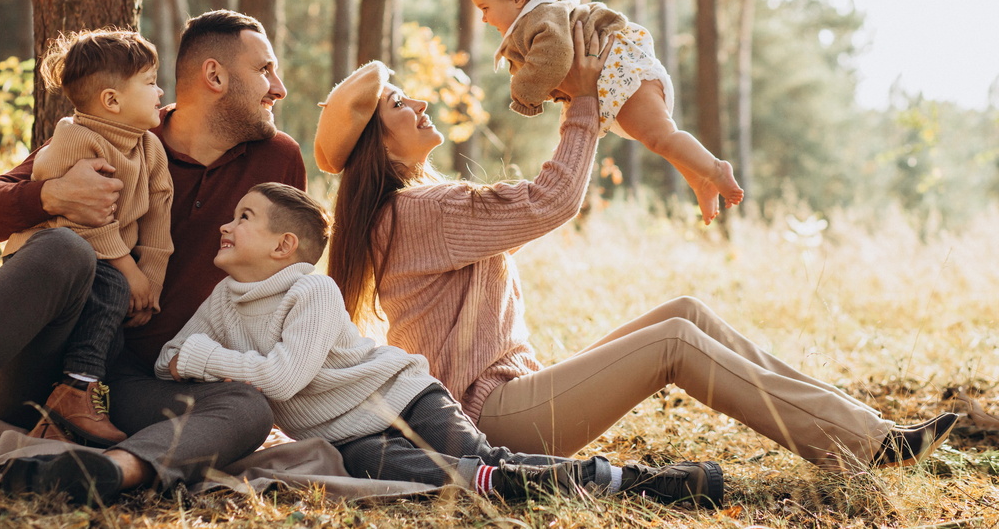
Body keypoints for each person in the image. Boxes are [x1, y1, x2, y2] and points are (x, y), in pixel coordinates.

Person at [312, 26, 958, 474]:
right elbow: (551, 200)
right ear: (377, 140)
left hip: (509, 394)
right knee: (674, 341)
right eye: (400, 103)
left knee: (686, 310)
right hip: (493, 420)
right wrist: (585, 103)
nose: (419, 101)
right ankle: (864, 444)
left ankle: (862, 429)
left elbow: (538, 198)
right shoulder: (419, 211)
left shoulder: (411, 208)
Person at [0, 10, 307, 505]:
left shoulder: (278, 160)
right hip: (37, 365)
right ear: (216, 76)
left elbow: (287, 281)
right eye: (264, 69)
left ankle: (105, 471)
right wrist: (49, 195)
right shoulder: (115, 131)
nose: (279, 88)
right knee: (64, 247)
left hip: (141, 386)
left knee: (248, 407)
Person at [151, 182, 724, 507]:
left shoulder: (312, 290)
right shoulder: (224, 299)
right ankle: (591, 482)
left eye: (243, 217)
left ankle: (642, 481)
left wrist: (201, 359)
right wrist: (190, 356)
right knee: (459, 479)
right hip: (348, 439)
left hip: (404, 395)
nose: (226, 226)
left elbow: (277, 377)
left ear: (283, 246)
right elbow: (164, 356)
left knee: (483, 461)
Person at [453, 0, 742, 224]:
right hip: (614, 83)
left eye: (485, 8)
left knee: (661, 137)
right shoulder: (538, 16)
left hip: (624, 77)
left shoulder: (543, 18)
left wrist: (524, 92)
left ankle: (715, 169)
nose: (484, 19)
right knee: (659, 138)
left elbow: (554, 56)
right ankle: (700, 180)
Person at [2, 29, 173, 448]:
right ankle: (75, 395)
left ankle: (62, 416)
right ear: (112, 100)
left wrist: (150, 281)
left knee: (110, 333)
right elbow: (81, 221)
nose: (160, 91)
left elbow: (158, 218)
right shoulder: (75, 139)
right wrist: (128, 270)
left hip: (106, 266)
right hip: (55, 258)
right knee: (112, 287)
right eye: (150, 83)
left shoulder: (149, 148)